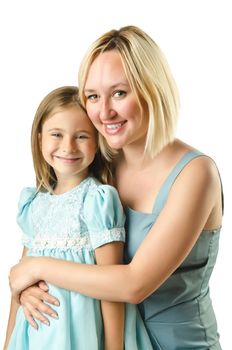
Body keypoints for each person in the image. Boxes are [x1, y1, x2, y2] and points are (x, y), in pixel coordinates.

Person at [8, 26, 223, 349]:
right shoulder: (100, 163)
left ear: (152, 89)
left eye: (119, 93)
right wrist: (28, 290)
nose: (104, 111)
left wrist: (35, 268)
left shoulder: (196, 174)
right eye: (93, 96)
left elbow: (134, 284)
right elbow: (62, 243)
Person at [4, 85, 153, 350]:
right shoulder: (33, 203)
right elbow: (21, 282)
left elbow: (112, 286)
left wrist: (114, 347)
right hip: (36, 336)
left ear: (98, 141)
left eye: (81, 136)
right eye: (57, 135)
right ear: (40, 140)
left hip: (85, 334)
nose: (68, 147)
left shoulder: (98, 200)